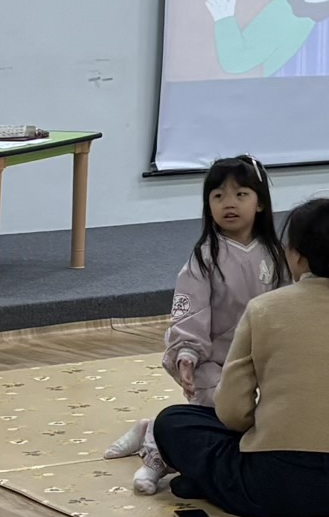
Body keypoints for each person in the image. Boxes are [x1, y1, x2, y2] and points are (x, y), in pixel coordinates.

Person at [151, 198, 329, 517]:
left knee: (173, 421)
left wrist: (268, 427)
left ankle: (210, 484)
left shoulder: (263, 309)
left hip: (270, 484)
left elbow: (232, 410)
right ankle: (211, 484)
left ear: (296, 255)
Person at [104, 156, 290, 492]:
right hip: (213, 362)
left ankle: (150, 428)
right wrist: (187, 353)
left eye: (240, 194)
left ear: (260, 202)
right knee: (223, 409)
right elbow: (190, 311)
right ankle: (156, 453)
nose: (229, 203)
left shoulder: (276, 255)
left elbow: (288, 308)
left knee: (268, 417)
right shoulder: (205, 257)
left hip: (263, 363)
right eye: (218, 196)